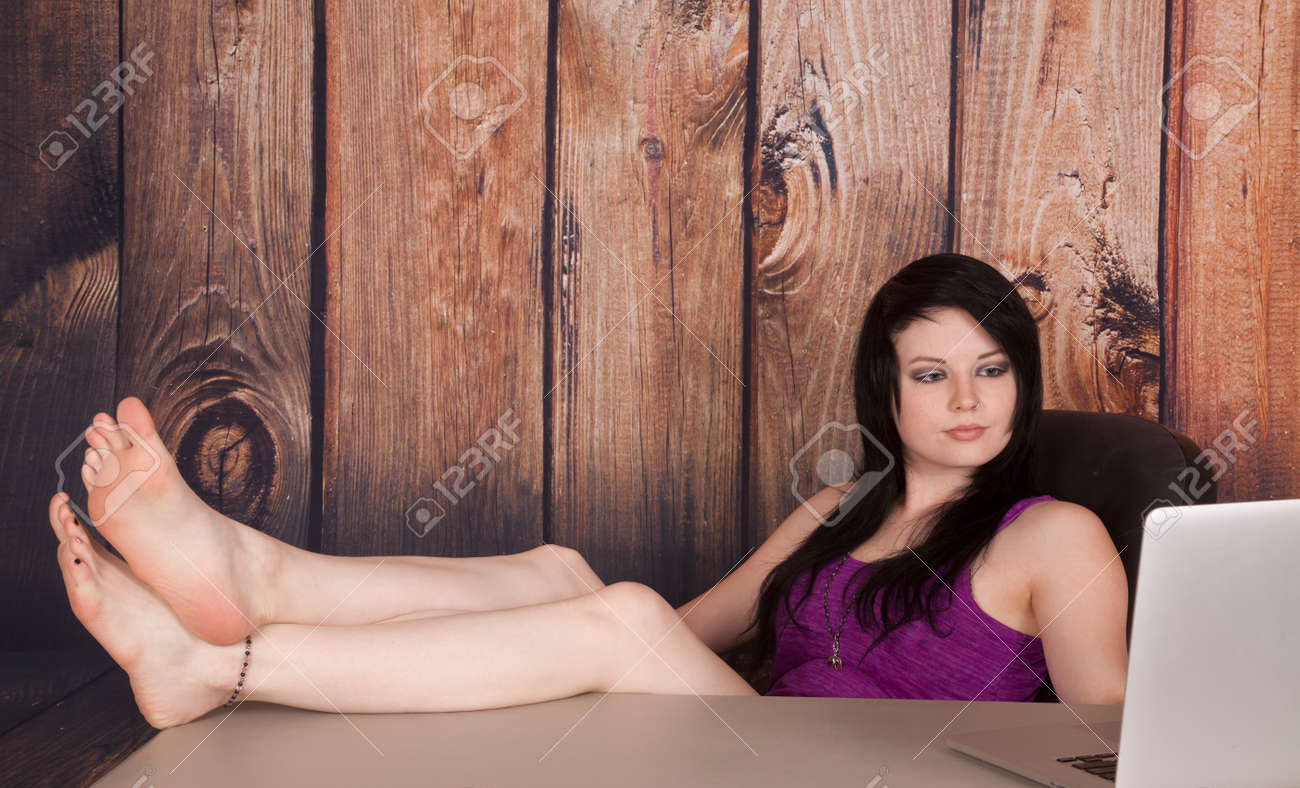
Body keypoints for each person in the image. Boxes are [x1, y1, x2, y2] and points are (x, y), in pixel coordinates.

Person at [48, 253, 1128, 729]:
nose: (966, 400)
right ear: (884, 389)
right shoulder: (837, 505)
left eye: (991, 370)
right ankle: (260, 574)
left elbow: (1106, 737)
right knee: (575, 579)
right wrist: (584, 616)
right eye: (932, 374)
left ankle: (220, 667)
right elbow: (694, 628)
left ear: (1022, 384)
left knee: (615, 620)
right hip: (758, 743)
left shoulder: (1053, 537)